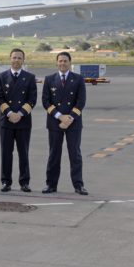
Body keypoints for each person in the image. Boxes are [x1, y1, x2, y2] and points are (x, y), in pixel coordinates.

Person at [42, 52, 88, 195]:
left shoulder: (78, 79)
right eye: (60, 61)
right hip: (55, 122)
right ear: (56, 63)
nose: (63, 63)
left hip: (73, 123)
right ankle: (51, 184)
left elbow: (81, 101)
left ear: (70, 63)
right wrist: (60, 116)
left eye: (65, 61)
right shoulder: (49, 79)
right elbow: (45, 101)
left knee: (75, 155)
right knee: (54, 155)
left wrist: (70, 118)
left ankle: (78, 185)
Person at [0, 48, 38, 193]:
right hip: (7, 121)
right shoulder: (1, 77)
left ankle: (24, 182)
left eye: (19, 58)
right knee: (6, 153)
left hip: (23, 121)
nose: (16, 60)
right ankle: (6, 182)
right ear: (10, 59)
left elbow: (32, 99)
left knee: (23, 153)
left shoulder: (30, 77)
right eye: (14, 58)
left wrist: (19, 114)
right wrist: (9, 113)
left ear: (23, 60)